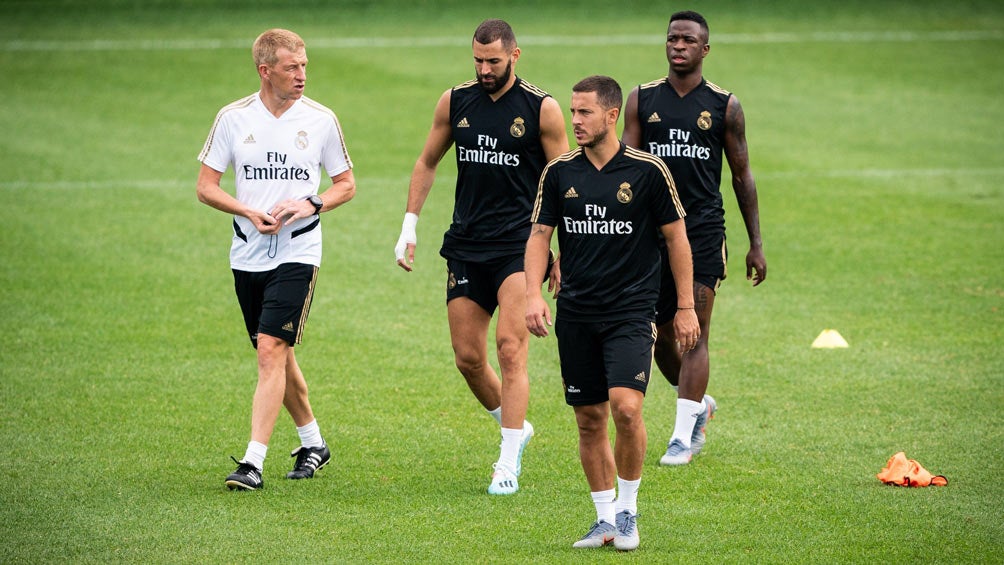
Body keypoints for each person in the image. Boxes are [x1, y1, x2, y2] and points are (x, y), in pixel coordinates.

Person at [394, 19, 568, 496]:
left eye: (493, 60)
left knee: (510, 350)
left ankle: (507, 460)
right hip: (468, 244)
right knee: (468, 358)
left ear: (515, 56)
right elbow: (427, 161)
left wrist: (562, 251)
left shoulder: (542, 109)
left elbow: (564, 183)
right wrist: (409, 225)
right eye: (478, 60)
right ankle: (517, 426)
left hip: (520, 246)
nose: (484, 69)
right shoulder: (456, 101)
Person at [525, 75, 699, 551]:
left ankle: (627, 511)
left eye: (584, 113)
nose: (574, 121)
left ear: (610, 115)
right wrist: (532, 294)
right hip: (576, 312)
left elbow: (677, 238)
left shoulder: (648, 171)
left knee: (626, 408)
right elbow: (540, 236)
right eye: (572, 112)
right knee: (588, 419)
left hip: (631, 310)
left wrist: (684, 306)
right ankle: (603, 518)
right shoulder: (559, 172)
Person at [196, 28, 356, 490]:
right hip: (247, 252)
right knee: (277, 355)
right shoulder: (233, 118)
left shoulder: (321, 120)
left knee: (270, 350)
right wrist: (246, 210)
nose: (302, 74)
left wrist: (312, 203)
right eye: (292, 67)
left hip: (299, 250)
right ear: (266, 71)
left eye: (304, 65)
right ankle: (314, 443)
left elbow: (346, 183)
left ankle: (252, 463)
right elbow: (205, 187)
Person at [621, 10, 767, 466]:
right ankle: (698, 407)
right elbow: (626, 165)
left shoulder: (725, 106)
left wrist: (755, 242)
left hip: (702, 231)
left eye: (687, 40)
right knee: (662, 337)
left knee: (694, 334)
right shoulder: (642, 99)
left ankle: (682, 436)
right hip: (651, 235)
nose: (677, 46)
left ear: (705, 49)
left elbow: (742, 175)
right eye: (671, 39)